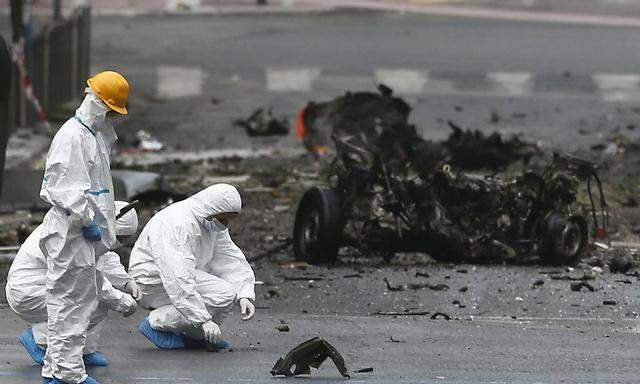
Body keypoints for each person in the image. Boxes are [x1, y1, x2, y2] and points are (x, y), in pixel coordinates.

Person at [39, 71, 129, 384]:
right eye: (111, 111)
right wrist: (87, 221)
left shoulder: (89, 135)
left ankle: (57, 370)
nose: (112, 119)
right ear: (101, 105)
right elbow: (66, 189)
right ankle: (68, 375)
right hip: (72, 232)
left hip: (80, 233)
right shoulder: (73, 136)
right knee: (70, 305)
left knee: (76, 302)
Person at [6, 202, 140, 367]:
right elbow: (92, 280)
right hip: (28, 292)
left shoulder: (89, 228)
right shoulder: (74, 235)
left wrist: (127, 282)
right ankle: (39, 339)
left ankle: (83, 352)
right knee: (88, 302)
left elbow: (104, 257)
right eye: (121, 238)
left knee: (95, 304)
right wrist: (123, 302)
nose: (120, 243)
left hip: (41, 286)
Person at [128, 184, 256, 350]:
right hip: (151, 280)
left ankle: (196, 335)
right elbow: (177, 276)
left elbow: (229, 257)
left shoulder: (209, 220)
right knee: (223, 293)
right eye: (223, 219)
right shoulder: (177, 223)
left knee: (226, 291)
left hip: (177, 275)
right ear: (212, 209)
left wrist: (244, 293)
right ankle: (155, 323)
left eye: (228, 221)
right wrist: (203, 320)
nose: (225, 225)